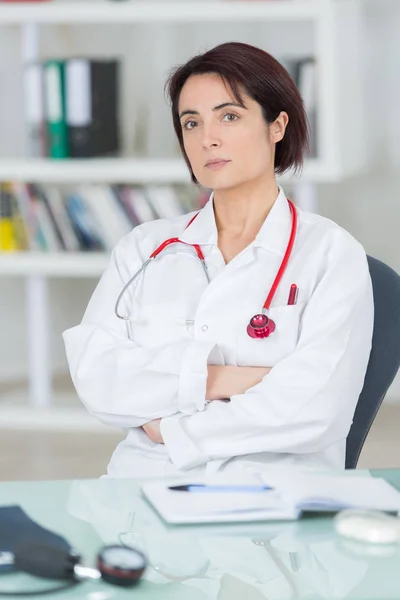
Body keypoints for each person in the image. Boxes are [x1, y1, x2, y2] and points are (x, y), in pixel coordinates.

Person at [63, 42, 374, 478]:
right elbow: (98, 379)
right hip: (144, 486)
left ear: (277, 126)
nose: (207, 137)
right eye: (191, 122)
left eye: (229, 116)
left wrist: (171, 428)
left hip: (274, 496)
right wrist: (221, 379)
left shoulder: (330, 253)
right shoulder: (144, 247)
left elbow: (317, 409)